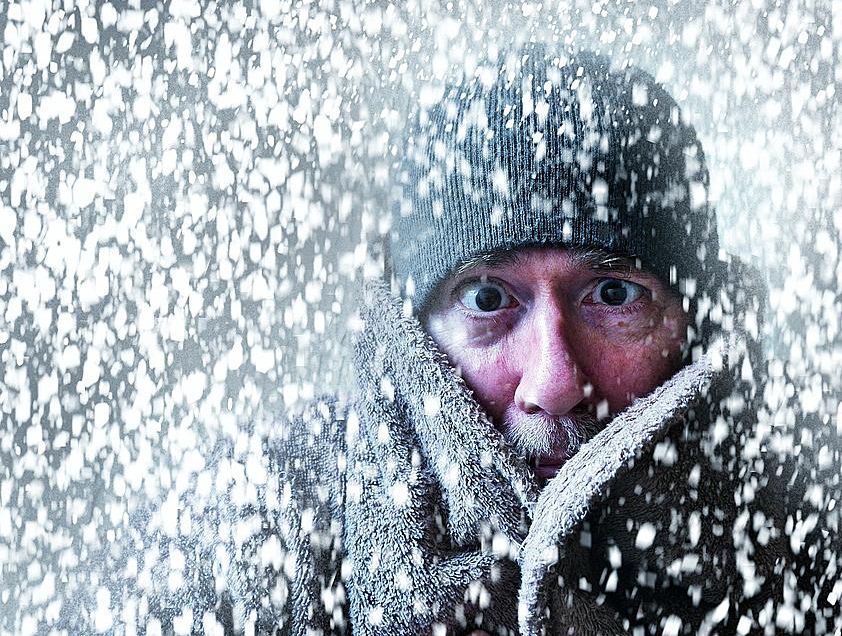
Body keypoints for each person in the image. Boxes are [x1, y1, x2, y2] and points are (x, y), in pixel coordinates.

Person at [124, 46, 793, 635]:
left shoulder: (808, 539)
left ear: (698, 322)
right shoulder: (255, 538)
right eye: (486, 299)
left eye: (613, 295)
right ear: (412, 337)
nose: (554, 382)